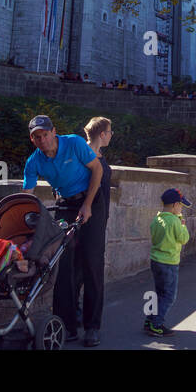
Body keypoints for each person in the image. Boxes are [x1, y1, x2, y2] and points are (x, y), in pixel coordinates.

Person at [23, 114, 104, 342]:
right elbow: (27, 197)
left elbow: (97, 170)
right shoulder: (34, 161)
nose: (43, 140)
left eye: (46, 134)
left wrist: (87, 205)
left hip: (92, 198)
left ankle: (92, 326)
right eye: (37, 137)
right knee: (60, 264)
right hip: (65, 203)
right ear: (32, 139)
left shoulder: (74, 143)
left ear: (54, 131)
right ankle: (66, 325)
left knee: (92, 261)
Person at [79, 116, 113, 347]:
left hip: (97, 220)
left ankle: (87, 324)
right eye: (110, 131)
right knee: (88, 272)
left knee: (85, 271)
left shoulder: (98, 157)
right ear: (102, 134)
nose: (111, 135)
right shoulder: (83, 156)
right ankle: (88, 326)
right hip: (82, 216)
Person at [145, 188, 192, 336]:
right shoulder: (175, 221)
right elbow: (184, 239)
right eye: (180, 206)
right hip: (169, 263)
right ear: (175, 205)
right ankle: (157, 324)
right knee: (169, 296)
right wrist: (183, 224)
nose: (181, 209)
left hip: (155, 261)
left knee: (159, 292)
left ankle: (149, 320)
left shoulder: (157, 219)